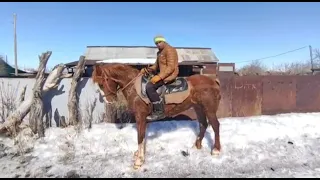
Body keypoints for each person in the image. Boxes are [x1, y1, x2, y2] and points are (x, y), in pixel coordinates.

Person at [140, 35, 179, 121]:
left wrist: (159, 77)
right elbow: (156, 66)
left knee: (149, 87)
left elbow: (171, 67)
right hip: (162, 74)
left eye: (159, 42)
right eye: (156, 43)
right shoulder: (160, 52)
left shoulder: (170, 50)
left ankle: (159, 112)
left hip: (169, 75)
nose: (158, 44)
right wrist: (147, 70)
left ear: (164, 41)